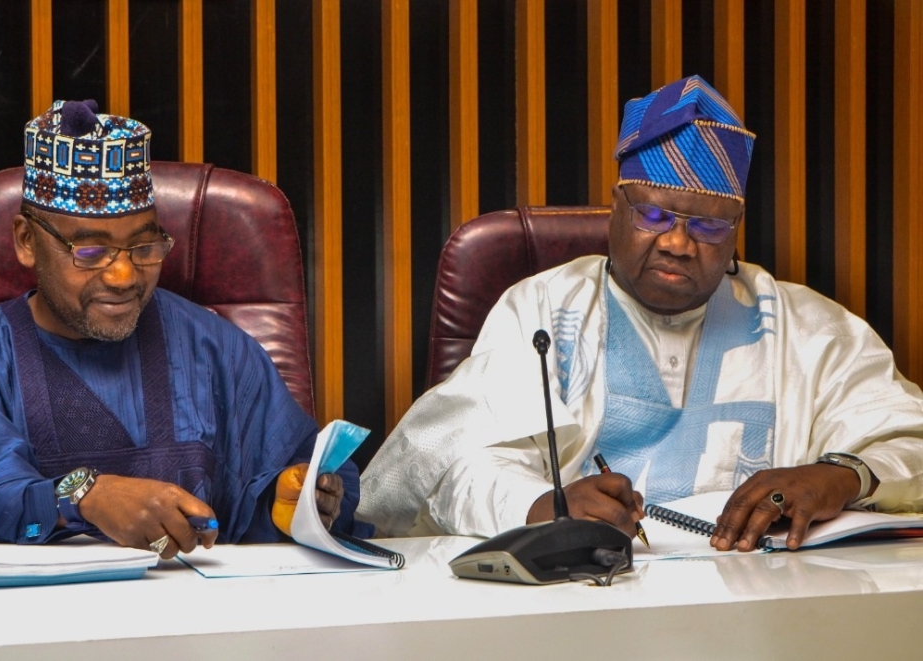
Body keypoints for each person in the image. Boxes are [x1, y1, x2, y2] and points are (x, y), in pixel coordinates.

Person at [357, 75, 923, 552]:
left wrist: (841, 476)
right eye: (653, 215)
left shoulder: (809, 330)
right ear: (615, 207)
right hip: (578, 599)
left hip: (763, 603)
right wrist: (546, 506)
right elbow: (460, 464)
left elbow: (909, 440)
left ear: (736, 230)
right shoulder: (544, 310)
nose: (678, 243)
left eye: (708, 226)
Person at [0, 100, 370, 558]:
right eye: (91, 251)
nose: (124, 276)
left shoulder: (215, 347)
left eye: (144, 246)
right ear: (26, 241)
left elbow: (290, 475)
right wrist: (83, 497)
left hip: (204, 617)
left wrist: (295, 499)